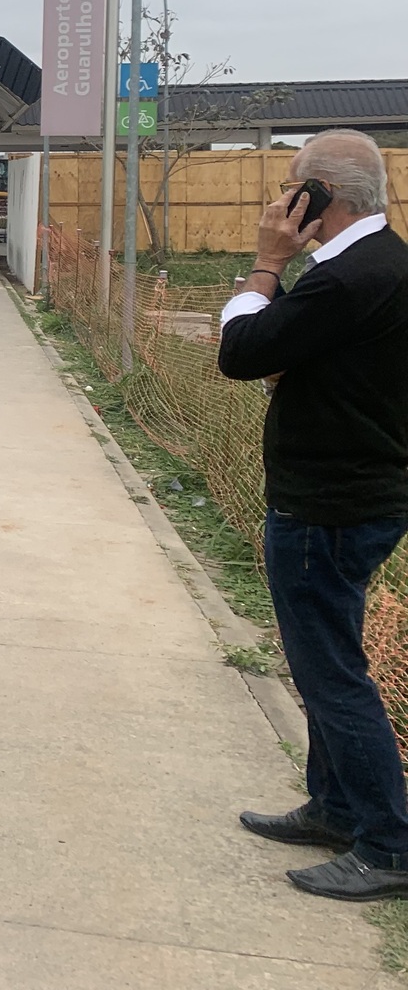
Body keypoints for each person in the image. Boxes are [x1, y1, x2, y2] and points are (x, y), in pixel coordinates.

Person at [218, 128, 408, 901]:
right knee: (324, 662)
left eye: (291, 187)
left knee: (331, 675)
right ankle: (334, 808)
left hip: (326, 505)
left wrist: (268, 264)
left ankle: (389, 845)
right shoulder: (384, 262)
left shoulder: (344, 278)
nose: (279, 200)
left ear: (317, 198)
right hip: (361, 495)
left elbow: (241, 350)